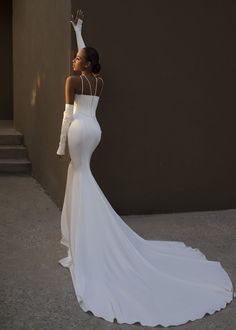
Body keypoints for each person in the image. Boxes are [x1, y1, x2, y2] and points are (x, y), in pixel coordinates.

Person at [56, 9, 235, 327]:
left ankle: (87, 244)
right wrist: (79, 31)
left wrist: (59, 146)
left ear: (83, 63)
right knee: (83, 176)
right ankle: (85, 238)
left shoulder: (73, 80)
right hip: (95, 129)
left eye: (77, 56)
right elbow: (89, 55)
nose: (73, 59)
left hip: (79, 129)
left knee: (79, 175)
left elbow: (67, 116)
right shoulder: (97, 80)